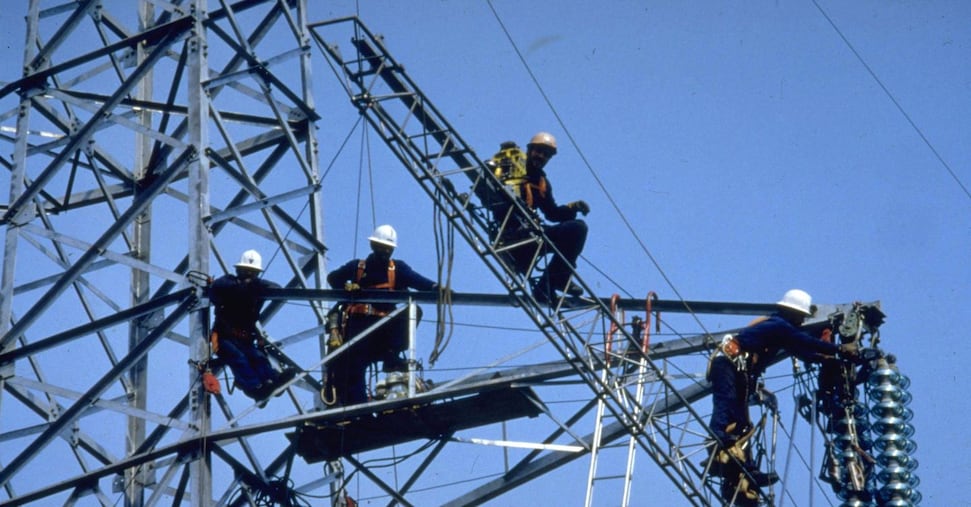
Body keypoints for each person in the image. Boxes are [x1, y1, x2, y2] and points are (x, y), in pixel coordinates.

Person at [706, 289, 854, 502]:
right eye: (801, 315)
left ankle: (749, 470)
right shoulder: (779, 326)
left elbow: (803, 352)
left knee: (742, 423)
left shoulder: (781, 332)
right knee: (726, 401)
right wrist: (839, 349)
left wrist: (829, 359)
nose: (803, 319)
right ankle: (719, 435)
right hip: (728, 364)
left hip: (740, 370)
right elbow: (804, 342)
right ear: (792, 312)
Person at [325, 225, 439, 405]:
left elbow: (417, 280)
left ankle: (390, 356)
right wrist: (345, 287)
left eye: (388, 249)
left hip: (383, 331)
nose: (385, 252)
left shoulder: (397, 269)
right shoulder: (357, 267)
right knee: (354, 369)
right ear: (372, 246)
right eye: (381, 248)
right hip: (358, 326)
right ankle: (358, 411)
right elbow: (333, 278)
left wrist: (436, 288)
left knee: (412, 311)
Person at [493, 131, 590, 304]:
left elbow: (552, 213)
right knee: (572, 229)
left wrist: (572, 208)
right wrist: (506, 157)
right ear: (530, 150)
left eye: (546, 155)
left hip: (532, 234)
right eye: (538, 151)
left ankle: (552, 281)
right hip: (512, 235)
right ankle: (551, 281)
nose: (541, 157)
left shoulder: (541, 182)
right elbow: (493, 183)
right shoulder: (514, 166)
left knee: (577, 228)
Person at [209, 249, 295, 402]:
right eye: (246, 271)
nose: (249, 274)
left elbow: (277, 288)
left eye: (252, 272)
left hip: (244, 338)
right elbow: (216, 289)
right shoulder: (228, 283)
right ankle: (254, 388)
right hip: (225, 337)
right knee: (239, 358)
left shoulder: (258, 287)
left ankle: (273, 380)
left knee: (258, 357)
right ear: (238, 270)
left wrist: (255, 286)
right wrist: (242, 287)